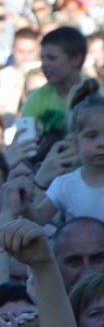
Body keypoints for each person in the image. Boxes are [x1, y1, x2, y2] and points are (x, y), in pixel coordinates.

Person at [34, 79, 104, 224]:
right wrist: (21, 202)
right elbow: (38, 218)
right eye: (92, 136)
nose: (101, 143)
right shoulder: (65, 185)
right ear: (74, 143)